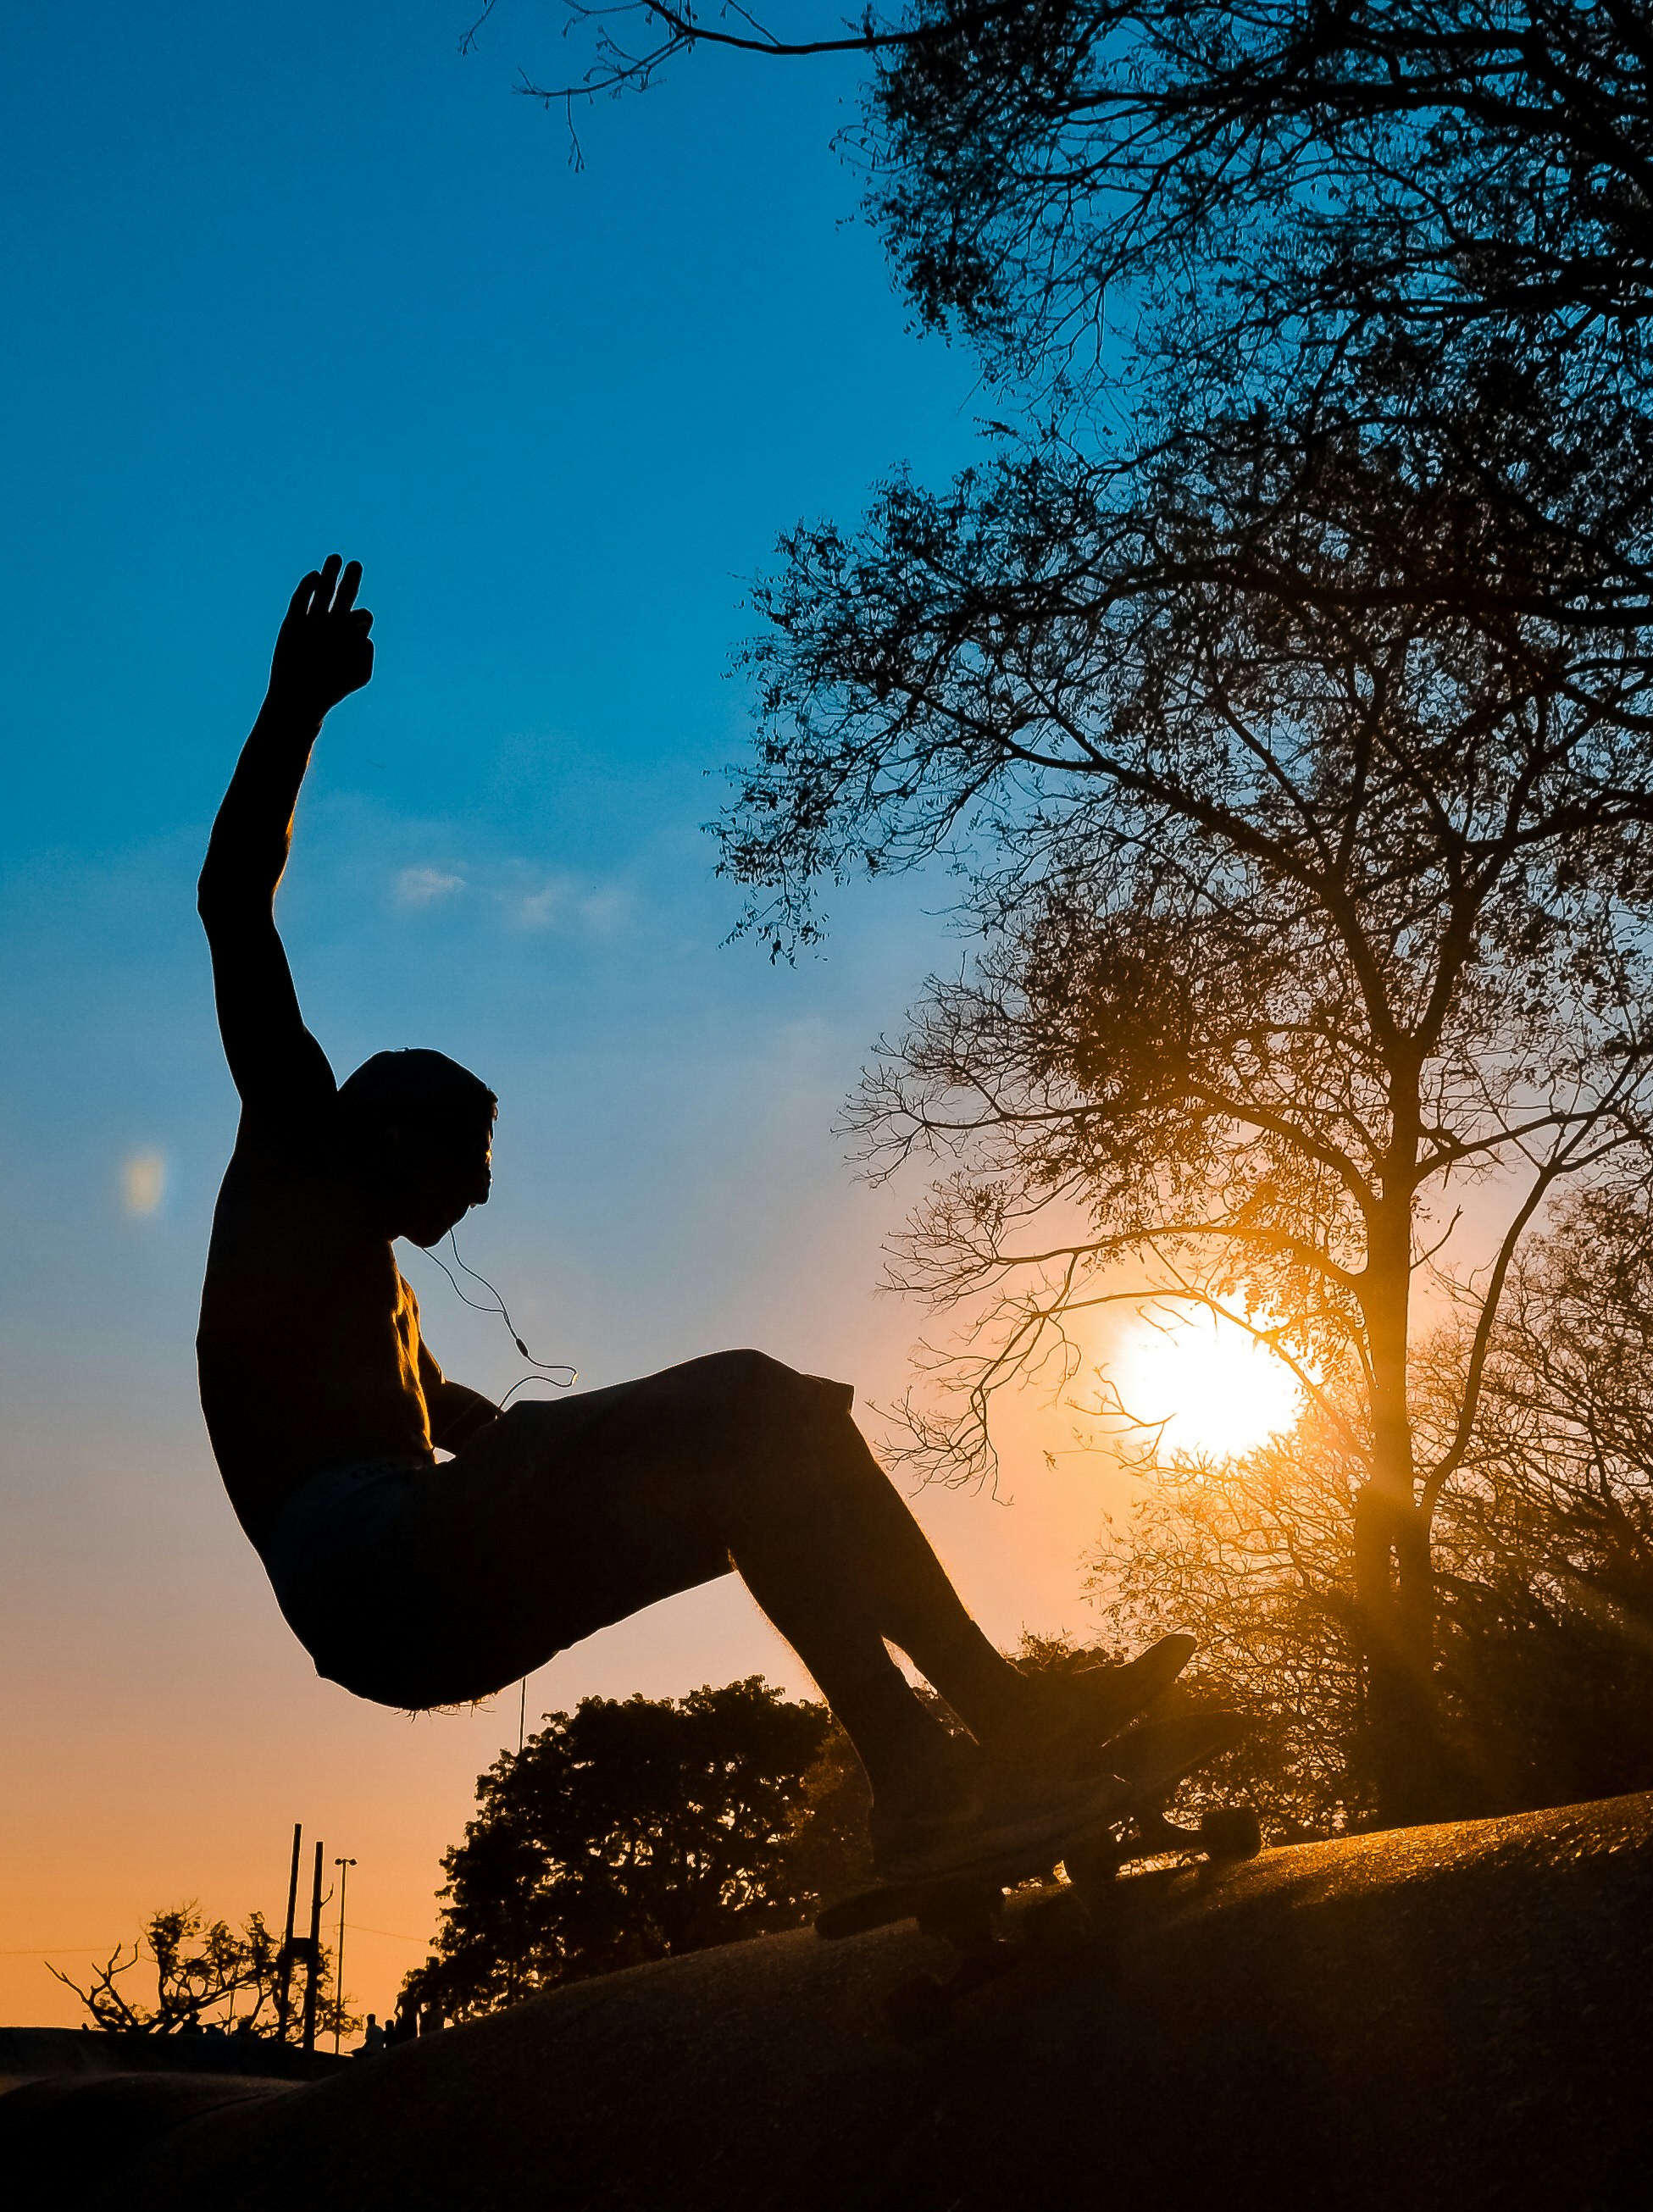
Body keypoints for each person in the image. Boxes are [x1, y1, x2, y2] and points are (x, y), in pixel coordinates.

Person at [196, 557, 1187, 1881]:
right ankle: (962, 1750)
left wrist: (595, 1433)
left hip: (420, 1599)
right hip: (364, 1562)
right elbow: (232, 905)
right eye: (463, 1166)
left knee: (770, 1457)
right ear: (391, 1129)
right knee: (750, 1392)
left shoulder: (364, 1287)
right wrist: (297, 707)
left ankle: (978, 1763)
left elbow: (452, 1419)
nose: (476, 1199)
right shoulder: (295, 1145)